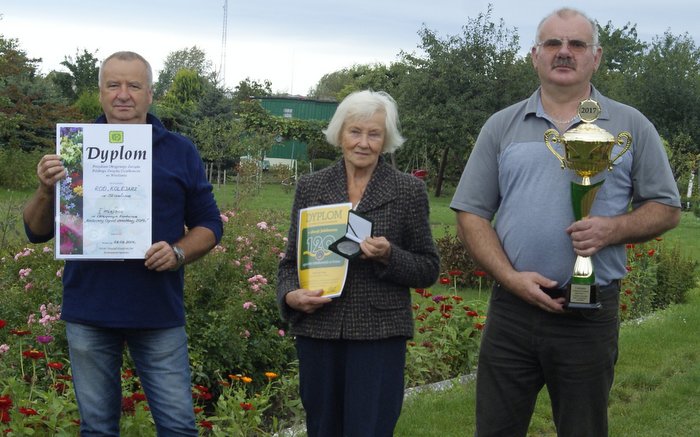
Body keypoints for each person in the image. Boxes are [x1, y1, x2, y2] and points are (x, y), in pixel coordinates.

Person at [450, 8, 681, 437]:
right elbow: (471, 212)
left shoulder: (631, 125)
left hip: (589, 313)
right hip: (512, 311)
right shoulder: (502, 126)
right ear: (535, 55)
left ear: (596, 57)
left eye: (577, 44)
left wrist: (613, 228)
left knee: (583, 430)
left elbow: (666, 207)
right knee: (495, 429)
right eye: (553, 44)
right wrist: (509, 277)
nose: (564, 52)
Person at [23, 51, 223, 436]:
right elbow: (35, 231)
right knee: (97, 429)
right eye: (113, 84)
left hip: (157, 311)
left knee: (179, 426)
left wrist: (179, 251)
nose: (123, 94)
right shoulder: (75, 148)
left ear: (151, 93)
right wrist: (47, 189)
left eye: (134, 85)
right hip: (90, 310)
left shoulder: (180, 150)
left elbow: (209, 223)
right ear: (100, 93)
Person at [277, 90, 440, 436]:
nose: (363, 143)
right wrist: (291, 296)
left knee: (369, 429)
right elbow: (290, 264)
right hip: (319, 331)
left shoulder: (408, 190)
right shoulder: (311, 187)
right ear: (340, 134)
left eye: (374, 133)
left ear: (386, 139)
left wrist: (389, 255)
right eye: (355, 131)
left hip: (378, 337)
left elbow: (428, 268)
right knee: (322, 429)